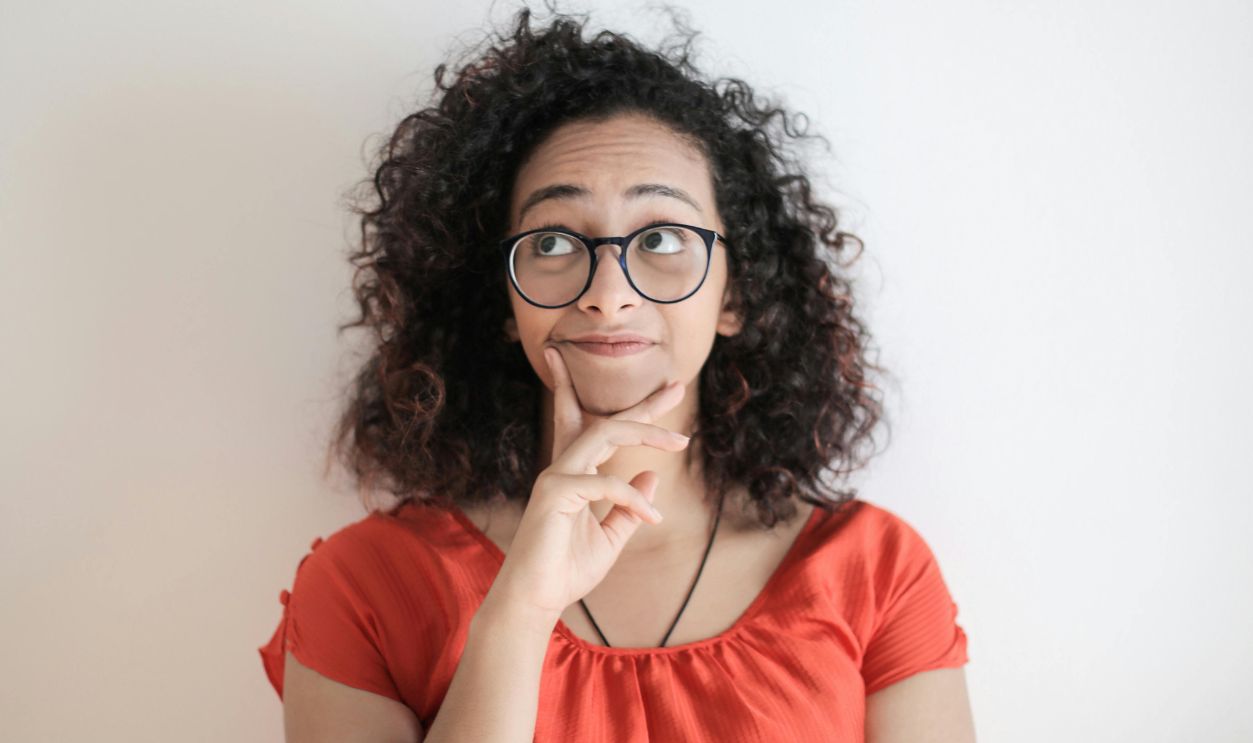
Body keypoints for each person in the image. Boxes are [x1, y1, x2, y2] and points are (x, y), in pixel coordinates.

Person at [258, 4, 975, 741]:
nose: (607, 293)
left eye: (661, 236)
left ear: (733, 292)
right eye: (554, 240)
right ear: (506, 302)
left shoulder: (875, 571)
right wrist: (522, 608)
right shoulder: (365, 586)